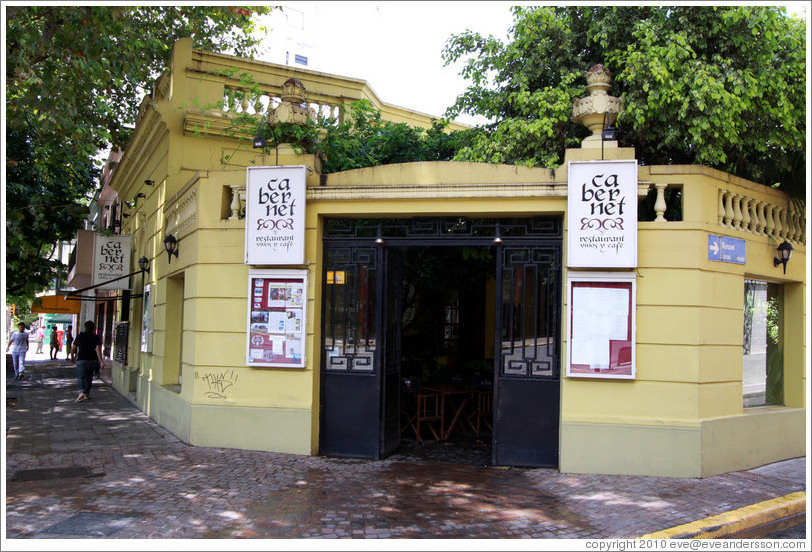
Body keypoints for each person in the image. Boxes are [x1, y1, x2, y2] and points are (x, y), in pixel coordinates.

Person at [70, 320, 104, 402]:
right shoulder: (95, 337)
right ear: (93, 328)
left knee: (80, 377)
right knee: (89, 378)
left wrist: (72, 356)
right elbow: (98, 349)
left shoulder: (80, 336)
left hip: (81, 359)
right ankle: (86, 394)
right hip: (92, 360)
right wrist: (101, 360)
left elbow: (73, 347)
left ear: (85, 327)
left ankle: (81, 392)